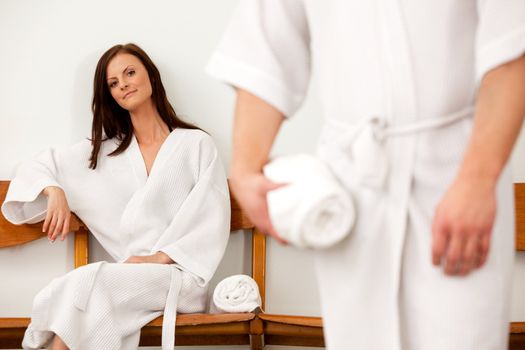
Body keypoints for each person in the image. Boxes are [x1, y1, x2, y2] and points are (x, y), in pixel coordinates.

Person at [206, 1, 525, 349]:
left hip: (459, 173)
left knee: (461, 337)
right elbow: (264, 50)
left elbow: (513, 45)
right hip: (354, 190)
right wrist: (246, 169)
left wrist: (478, 180)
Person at [1, 43, 230, 350]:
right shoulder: (104, 153)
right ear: (109, 94)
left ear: (150, 75)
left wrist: (158, 257)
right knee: (88, 292)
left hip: (181, 278)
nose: (122, 83)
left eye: (130, 72)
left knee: (87, 284)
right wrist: (53, 190)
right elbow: (37, 165)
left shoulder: (196, 144)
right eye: (112, 83)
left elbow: (212, 217)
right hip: (126, 279)